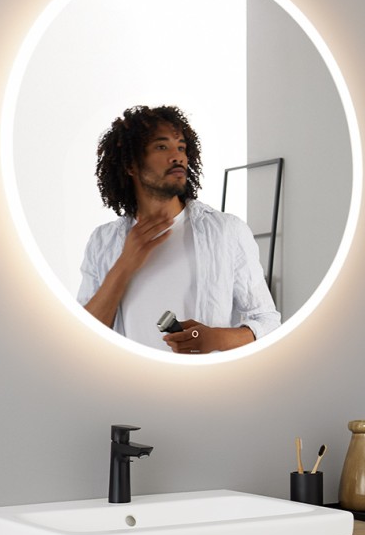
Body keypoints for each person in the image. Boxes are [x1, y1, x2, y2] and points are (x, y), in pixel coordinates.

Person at [77, 105, 278, 353]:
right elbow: (84, 335)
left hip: (205, 387)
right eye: (162, 147)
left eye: (181, 147)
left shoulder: (226, 231)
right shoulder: (102, 242)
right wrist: (124, 264)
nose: (178, 156)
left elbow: (268, 321)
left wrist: (217, 339)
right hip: (128, 388)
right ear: (131, 165)